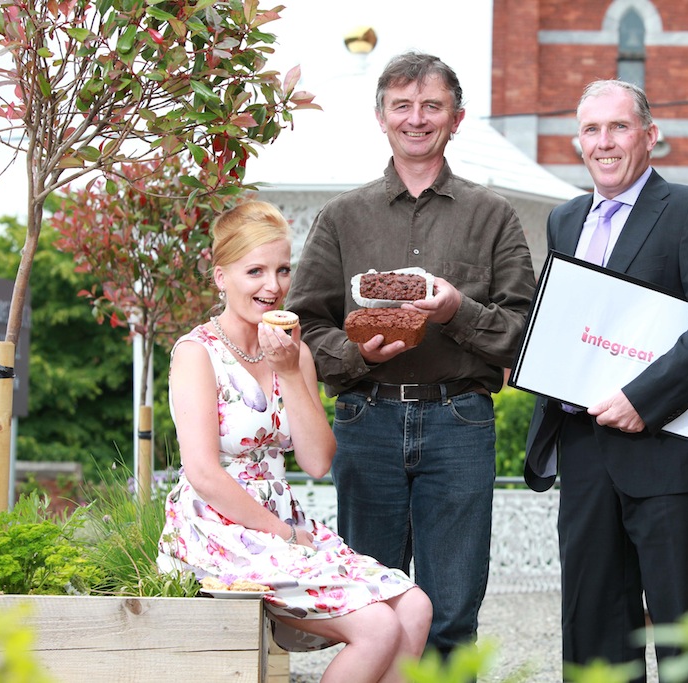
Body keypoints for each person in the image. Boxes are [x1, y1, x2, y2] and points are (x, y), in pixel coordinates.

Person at [286, 51, 536, 656]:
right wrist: (356, 353)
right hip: (365, 421)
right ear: (381, 116)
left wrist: (458, 312)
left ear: (457, 118)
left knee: (451, 614)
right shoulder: (342, 219)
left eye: (432, 106)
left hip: (461, 421)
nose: (416, 118)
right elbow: (302, 326)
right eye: (403, 105)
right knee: (369, 606)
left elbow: (526, 332)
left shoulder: (493, 216)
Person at [524, 80, 688, 682]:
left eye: (619, 127)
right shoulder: (564, 220)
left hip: (667, 453)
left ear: (649, 137)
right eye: (592, 130)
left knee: (682, 633)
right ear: (578, 142)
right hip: (584, 451)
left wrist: (642, 400)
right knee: (592, 630)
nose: (604, 142)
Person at [157, 201, 432, 683]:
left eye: (283, 270)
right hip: (217, 526)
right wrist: (283, 535)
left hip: (284, 518)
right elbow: (202, 472)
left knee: (415, 606)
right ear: (221, 276)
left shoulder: (294, 350)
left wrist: (287, 369)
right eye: (255, 271)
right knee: (376, 627)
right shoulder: (196, 353)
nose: (273, 286)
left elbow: (318, 460)